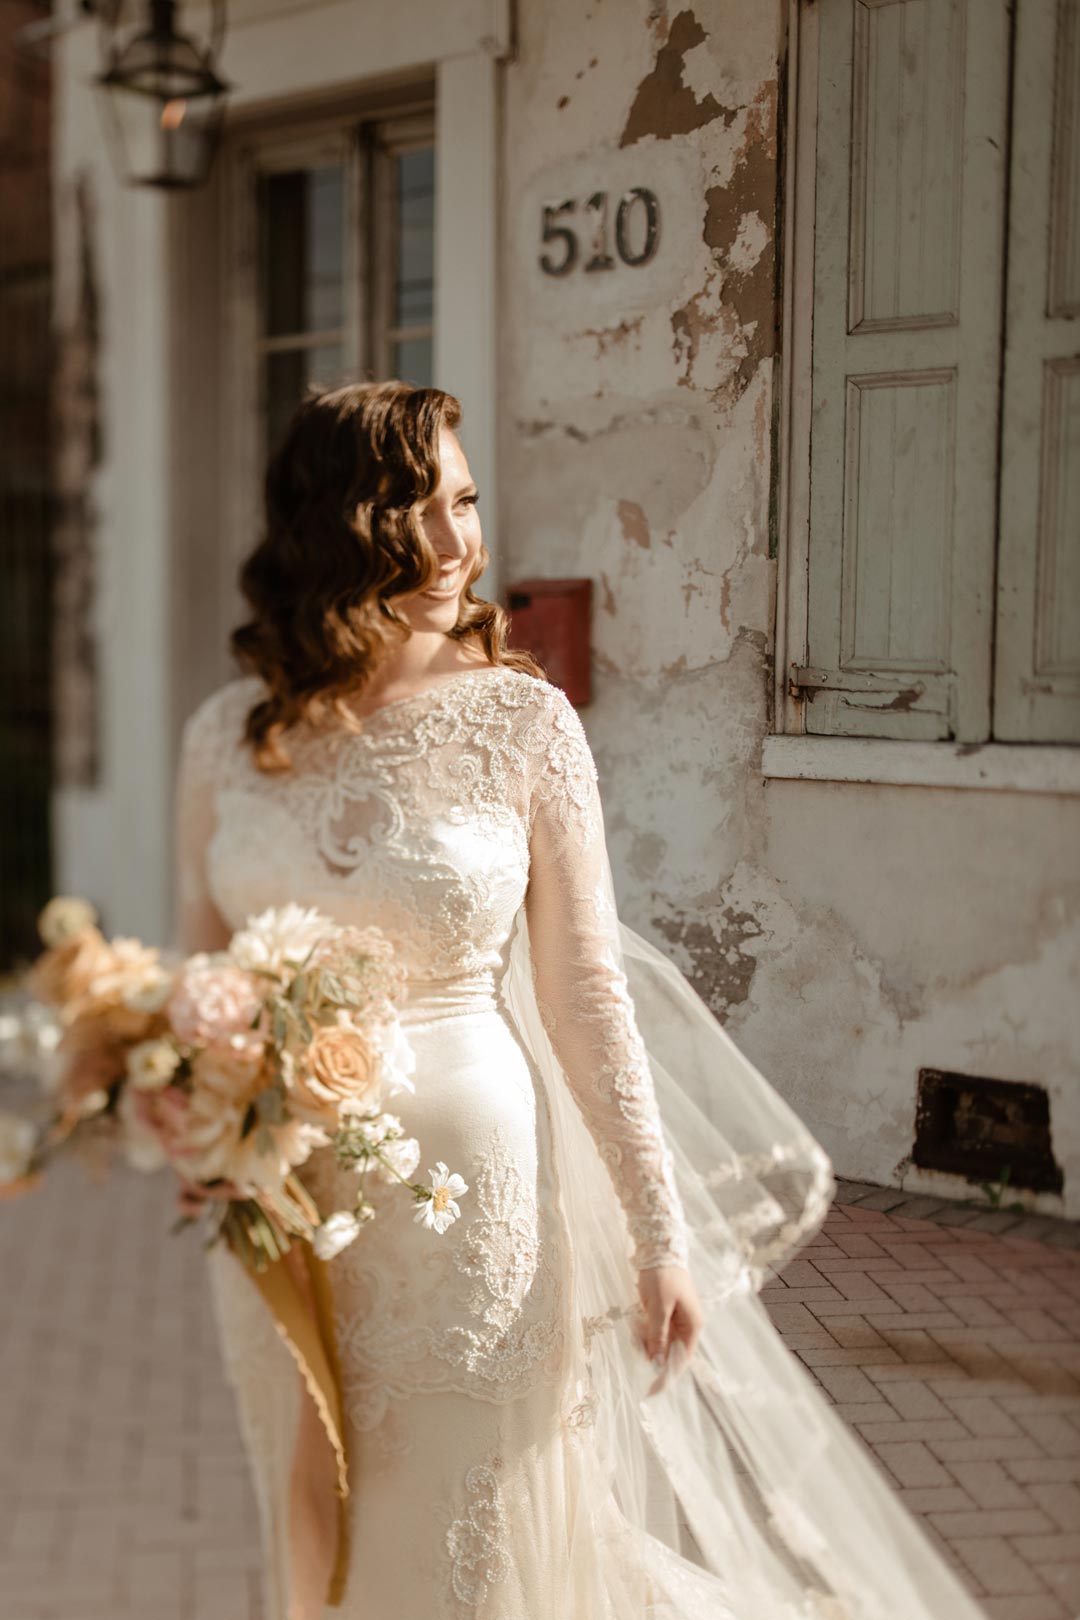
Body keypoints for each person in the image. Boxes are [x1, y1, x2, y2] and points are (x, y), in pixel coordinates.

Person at [173, 380, 990, 1620]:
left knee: (465, 1534)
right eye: (413, 509)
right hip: (277, 1213)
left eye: (466, 501)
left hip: (471, 1217)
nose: (458, 544)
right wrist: (188, 1106)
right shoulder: (228, 737)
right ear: (331, 527)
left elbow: (586, 993)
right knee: (310, 1535)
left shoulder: (522, 723)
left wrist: (661, 1236)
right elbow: (202, 973)